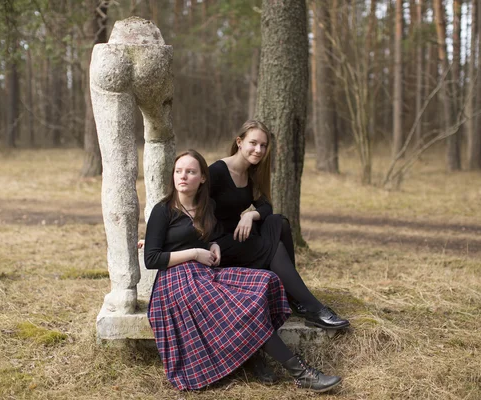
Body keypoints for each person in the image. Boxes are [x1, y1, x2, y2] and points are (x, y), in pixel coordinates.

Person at [142, 149, 342, 393]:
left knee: (266, 280)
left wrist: (213, 246)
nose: (183, 177)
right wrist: (194, 253)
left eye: (190, 172)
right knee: (241, 310)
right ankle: (302, 373)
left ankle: (256, 355)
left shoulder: (206, 206)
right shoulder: (162, 210)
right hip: (175, 285)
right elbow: (152, 259)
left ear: (202, 178)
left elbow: (212, 237)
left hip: (203, 274)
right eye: (178, 171)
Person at [209, 120, 350, 330]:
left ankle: (294, 296)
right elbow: (196, 209)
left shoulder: (252, 172)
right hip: (220, 243)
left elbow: (266, 207)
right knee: (275, 248)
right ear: (239, 142)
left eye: (263, 145)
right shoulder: (218, 171)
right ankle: (313, 308)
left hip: (240, 233)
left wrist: (250, 215)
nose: (258, 150)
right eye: (253, 143)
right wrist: (207, 241)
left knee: (279, 222)